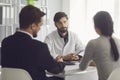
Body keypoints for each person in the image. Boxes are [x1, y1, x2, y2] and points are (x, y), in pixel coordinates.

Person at [1, 5, 65, 80]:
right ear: (33, 26)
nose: (40, 28)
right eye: (40, 25)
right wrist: (60, 62)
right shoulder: (39, 47)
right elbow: (55, 69)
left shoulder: (6, 42)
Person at [79, 11, 120, 80]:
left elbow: (82, 67)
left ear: (96, 27)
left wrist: (92, 62)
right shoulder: (118, 41)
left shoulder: (93, 43)